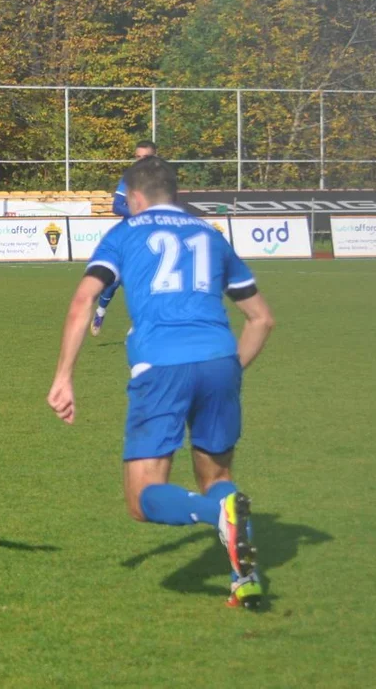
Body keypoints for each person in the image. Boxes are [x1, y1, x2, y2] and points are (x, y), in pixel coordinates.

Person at [48, 157, 275, 610]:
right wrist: (231, 370)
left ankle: (219, 517)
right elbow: (261, 319)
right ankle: (242, 574)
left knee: (142, 497)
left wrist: (64, 376)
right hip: (219, 359)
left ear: (133, 197)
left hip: (161, 365)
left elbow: (83, 300)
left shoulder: (125, 233)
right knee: (218, 475)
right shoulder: (212, 237)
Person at [90, 140, 157, 336]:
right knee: (114, 281)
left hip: (152, 238)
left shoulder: (163, 182)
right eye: (137, 157)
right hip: (130, 235)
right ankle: (101, 311)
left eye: (145, 157)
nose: (140, 161)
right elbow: (116, 206)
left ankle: (136, 328)